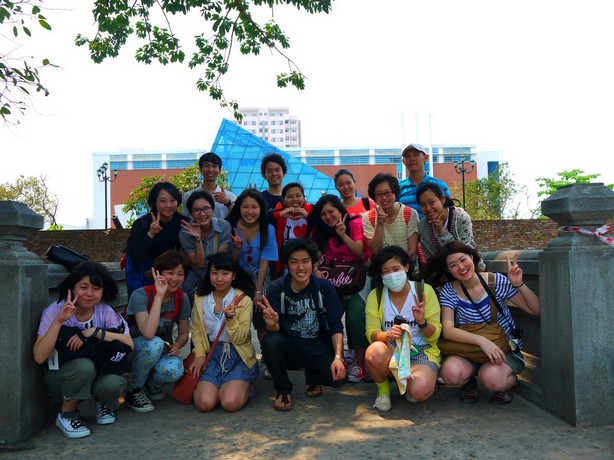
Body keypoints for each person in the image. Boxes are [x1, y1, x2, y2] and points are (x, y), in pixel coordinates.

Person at [425, 241, 540, 405]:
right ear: (448, 270)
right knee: (450, 373)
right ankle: (469, 381)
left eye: (463, 260)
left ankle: (510, 383)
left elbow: (535, 310)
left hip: (501, 347)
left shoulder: (495, 281)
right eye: (453, 265)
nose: (461, 267)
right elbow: (448, 330)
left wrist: (518, 284)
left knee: (493, 379)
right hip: (470, 349)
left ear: (472, 258)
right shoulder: (449, 290)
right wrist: (482, 341)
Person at [33, 261, 133, 438]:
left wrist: (95, 332)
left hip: (98, 371)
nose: (89, 294)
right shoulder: (55, 310)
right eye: (84, 287)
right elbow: (39, 357)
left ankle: (103, 402)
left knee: (113, 382)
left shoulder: (105, 312)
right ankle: (67, 414)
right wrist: (59, 321)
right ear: (73, 288)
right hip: (62, 377)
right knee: (84, 366)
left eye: (96, 288)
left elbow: (129, 344)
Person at [257, 238, 348, 411]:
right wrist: (272, 324)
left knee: (339, 379)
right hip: (290, 345)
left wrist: (338, 357)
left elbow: (336, 325)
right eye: (294, 262)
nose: (300, 267)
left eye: (305, 261)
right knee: (269, 341)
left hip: (317, 344)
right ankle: (283, 390)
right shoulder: (277, 288)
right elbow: (273, 329)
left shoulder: (324, 288)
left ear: (313, 263)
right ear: (287, 265)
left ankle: (313, 376)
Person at [364, 246, 441, 412]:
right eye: (386, 272)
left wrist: (422, 322)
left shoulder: (424, 291)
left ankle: (411, 384)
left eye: (396, 269)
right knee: (374, 351)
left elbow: (435, 335)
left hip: (421, 350)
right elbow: (371, 333)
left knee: (419, 391)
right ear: (381, 275)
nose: (391, 275)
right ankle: (383, 390)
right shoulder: (376, 295)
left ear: (406, 267)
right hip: (392, 349)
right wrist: (387, 335)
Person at [307, 194, 371, 383]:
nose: (328, 217)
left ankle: (360, 364)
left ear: (339, 210)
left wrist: (342, 234)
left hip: (356, 278)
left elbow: (359, 251)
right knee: (328, 318)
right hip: (333, 280)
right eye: (323, 214)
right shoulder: (321, 231)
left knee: (355, 317)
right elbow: (315, 256)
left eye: (331, 211)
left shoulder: (355, 223)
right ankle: (335, 359)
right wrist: (316, 269)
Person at [124, 250, 192, 413]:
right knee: (154, 343)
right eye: (170, 273)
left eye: (180, 274)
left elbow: (184, 333)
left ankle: (151, 382)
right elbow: (147, 333)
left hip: (161, 349)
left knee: (175, 370)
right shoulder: (141, 295)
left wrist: (177, 346)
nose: (175, 278)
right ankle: (133, 390)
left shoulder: (182, 298)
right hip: (133, 350)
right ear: (158, 273)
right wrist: (159, 296)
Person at [189, 252, 258, 412]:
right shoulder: (200, 298)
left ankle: (244, 386)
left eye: (225, 273)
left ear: (233, 276)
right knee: (204, 404)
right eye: (214, 273)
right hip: (212, 356)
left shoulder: (244, 300)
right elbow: (196, 330)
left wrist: (231, 319)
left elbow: (240, 338)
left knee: (229, 403)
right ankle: (220, 388)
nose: (219, 278)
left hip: (238, 356)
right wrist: (199, 355)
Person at [124, 181, 188, 298]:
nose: (168, 205)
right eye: (163, 201)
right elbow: (136, 256)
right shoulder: (141, 223)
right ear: (154, 202)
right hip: (143, 273)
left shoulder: (183, 223)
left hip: (170, 273)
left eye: (172, 200)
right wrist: (151, 233)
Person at [416, 182, 485, 270]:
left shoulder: (460, 217)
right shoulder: (422, 226)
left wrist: (442, 231)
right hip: (442, 273)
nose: (428, 208)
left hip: (469, 269)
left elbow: (464, 252)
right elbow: (429, 258)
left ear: (442, 199)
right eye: (423, 205)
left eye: (431, 202)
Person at [180, 190, 231, 300]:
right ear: (190, 213)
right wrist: (198, 239)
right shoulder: (185, 233)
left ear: (212, 209)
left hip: (218, 279)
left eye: (206, 208)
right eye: (196, 210)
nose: (202, 214)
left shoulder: (224, 226)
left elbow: (218, 261)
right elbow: (200, 264)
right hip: (196, 282)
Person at [362, 173, 419, 261]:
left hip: (405, 266)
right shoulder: (368, 217)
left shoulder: (410, 214)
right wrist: (380, 224)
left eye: (388, 193)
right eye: (379, 194)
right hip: (381, 267)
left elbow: (412, 253)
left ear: (395, 192)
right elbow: (375, 250)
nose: (384, 198)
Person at [270, 182, 313, 279]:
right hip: (286, 263)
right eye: (289, 196)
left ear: (304, 197)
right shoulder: (280, 213)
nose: (294, 199)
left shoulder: (311, 210)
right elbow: (265, 217)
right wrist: (280, 215)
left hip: (309, 262)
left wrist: (308, 217)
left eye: (298, 195)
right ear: (284, 199)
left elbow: (321, 225)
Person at [398, 143, 450, 218]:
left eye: (416, 155)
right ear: (403, 161)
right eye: (408, 156)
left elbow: (450, 212)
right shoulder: (399, 188)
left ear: (425, 157)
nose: (412, 159)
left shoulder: (440, 185)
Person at [183, 152, 237, 220]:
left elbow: (238, 219)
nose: (210, 170)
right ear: (200, 169)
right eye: (206, 166)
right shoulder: (188, 196)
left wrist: (227, 202)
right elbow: (186, 220)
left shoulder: (230, 196)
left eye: (214, 166)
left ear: (219, 170)